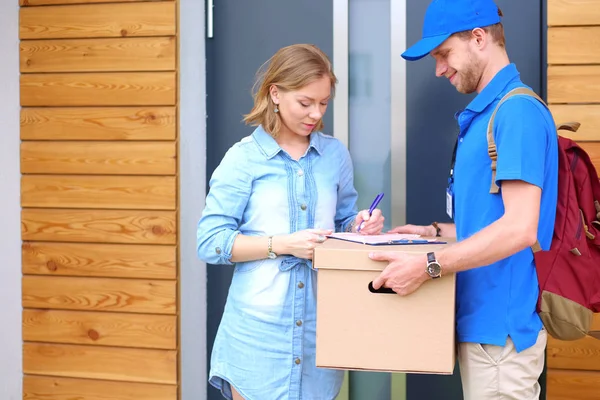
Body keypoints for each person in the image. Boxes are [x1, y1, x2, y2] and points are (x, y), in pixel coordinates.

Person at [370, 1, 558, 399]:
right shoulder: (486, 115)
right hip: (481, 331)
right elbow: (495, 221)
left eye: (443, 54)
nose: (438, 68)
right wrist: (434, 233)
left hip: (500, 339)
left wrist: (429, 266)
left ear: (479, 38)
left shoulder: (516, 112)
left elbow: (520, 227)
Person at [197, 44, 384, 400]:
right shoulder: (243, 159)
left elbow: (343, 223)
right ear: (276, 94)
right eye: (305, 102)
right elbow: (210, 241)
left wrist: (360, 226)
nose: (316, 113)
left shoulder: (334, 155)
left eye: (323, 103)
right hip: (257, 336)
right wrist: (281, 244)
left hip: (321, 331)